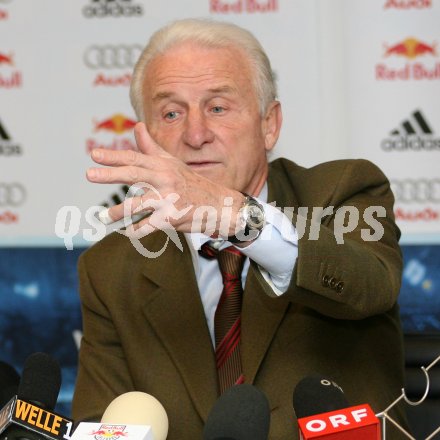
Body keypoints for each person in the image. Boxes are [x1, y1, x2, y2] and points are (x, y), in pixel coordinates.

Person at [72, 18, 409, 439]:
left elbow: (371, 284)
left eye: (217, 107)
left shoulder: (342, 193)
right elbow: (97, 422)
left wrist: (240, 220)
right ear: (145, 137)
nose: (195, 135)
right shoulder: (110, 269)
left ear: (270, 124)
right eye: (171, 113)